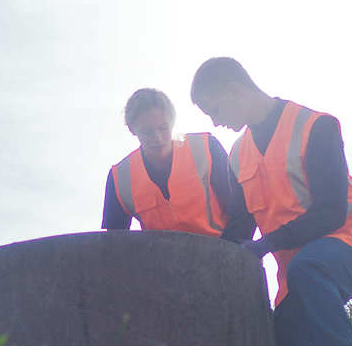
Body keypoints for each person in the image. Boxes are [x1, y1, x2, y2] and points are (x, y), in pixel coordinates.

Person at [190, 57, 352, 346]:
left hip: (348, 245)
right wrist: (204, 260)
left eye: (214, 110)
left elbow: (332, 212)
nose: (215, 123)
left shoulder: (316, 126)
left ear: (235, 91)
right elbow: (240, 227)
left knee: (309, 269)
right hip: (296, 273)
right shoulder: (237, 155)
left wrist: (264, 246)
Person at [102, 88, 248, 239]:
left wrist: (232, 253)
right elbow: (114, 242)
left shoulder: (205, 147)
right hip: (161, 260)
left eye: (163, 128)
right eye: (147, 132)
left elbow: (239, 208)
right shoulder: (120, 177)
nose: (157, 138)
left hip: (220, 252)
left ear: (172, 122)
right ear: (132, 130)